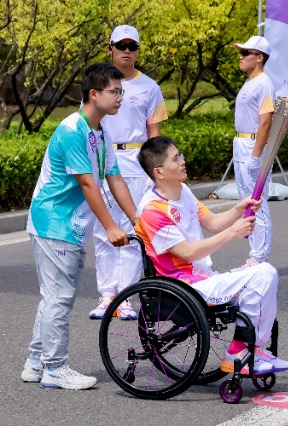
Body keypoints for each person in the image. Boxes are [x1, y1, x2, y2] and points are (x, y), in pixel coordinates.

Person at [22, 63, 137, 390]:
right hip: (53, 221)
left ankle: (35, 361)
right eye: (114, 92)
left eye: (121, 91)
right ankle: (55, 368)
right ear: (93, 94)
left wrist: (137, 220)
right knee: (59, 296)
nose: (120, 98)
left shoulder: (100, 131)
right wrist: (112, 227)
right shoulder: (73, 131)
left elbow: (114, 178)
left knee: (52, 296)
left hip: (67, 224)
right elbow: (88, 184)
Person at [135, 136, 288, 375]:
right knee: (263, 274)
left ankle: (253, 349)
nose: (183, 162)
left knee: (263, 278)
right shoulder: (152, 211)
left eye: (181, 156)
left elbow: (212, 222)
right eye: (176, 159)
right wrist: (232, 232)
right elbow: (186, 253)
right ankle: (239, 352)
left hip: (204, 278)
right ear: (159, 171)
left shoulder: (183, 191)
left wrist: (239, 208)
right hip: (184, 286)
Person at [89, 24, 168, 320]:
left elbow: (154, 132)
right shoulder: (97, 84)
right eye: (120, 45)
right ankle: (106, 294)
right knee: (103, 230)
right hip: (104, 159)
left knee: (135, 228)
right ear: (110, 48)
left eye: (131, 46)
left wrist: (155, 168)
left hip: (136, 162)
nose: (125, 51)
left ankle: (126, 296)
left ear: (137, 51)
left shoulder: (149, 87)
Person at [229, 36, 275, 272]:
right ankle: (254, 255)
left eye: (246, 53)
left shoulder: (264, 83)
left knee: (257, 202)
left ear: (259, 57)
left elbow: (266, 121)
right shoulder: (250, 82)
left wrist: (256, 157)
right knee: (247, 201)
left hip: (252, 146)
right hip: (242, 144)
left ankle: (259, 257)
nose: (241, 56)